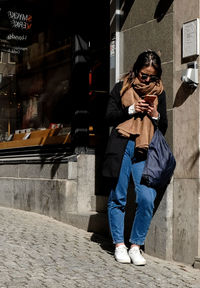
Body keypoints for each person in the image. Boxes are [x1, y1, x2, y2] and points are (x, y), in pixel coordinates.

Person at [102, 50, 168, 265]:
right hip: (122, 145)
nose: (148, 80)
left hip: (145, 148)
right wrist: (130, 109)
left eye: (152, 77)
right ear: (136, 70)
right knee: (118, 197)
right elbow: (108, 117)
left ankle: (136, 245)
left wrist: (154, 114)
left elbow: (164, 125)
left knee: (147, 198)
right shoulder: (120, 87)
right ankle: (119, 244)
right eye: (144, 75)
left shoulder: (159, 92)